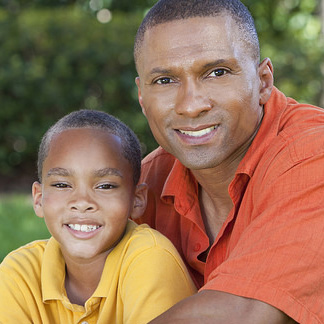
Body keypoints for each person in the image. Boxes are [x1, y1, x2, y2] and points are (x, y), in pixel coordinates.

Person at [133, 0, 324, 323]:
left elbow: (243, 313)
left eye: (217, 73)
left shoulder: (312, 154)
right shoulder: (145, 185)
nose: (191, 106)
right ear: (142, 97)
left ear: (263, 81)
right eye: (165, 80)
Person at [0, 110, 196, 324]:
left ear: (137, 200)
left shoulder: (150, 259)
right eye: (62, 185)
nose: (83, 202)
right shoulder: (19, 274)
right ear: (38, 199)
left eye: (105, 186)